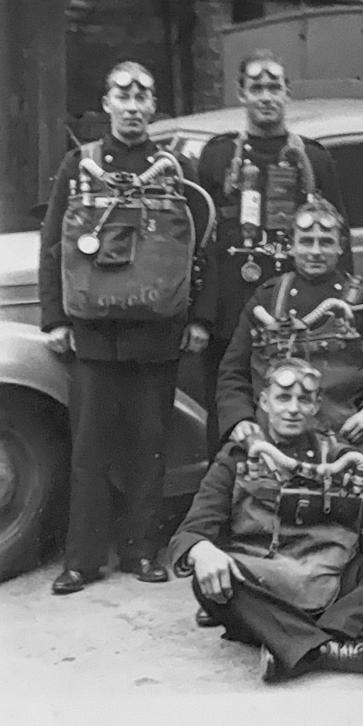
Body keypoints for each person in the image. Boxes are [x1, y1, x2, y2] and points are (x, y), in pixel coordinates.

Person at [39, 61, 214, 594]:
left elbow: (202, 249)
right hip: (93, 335)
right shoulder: (79, 164)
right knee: (89, 448)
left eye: (143, 95)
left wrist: (200, 317)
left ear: (154, 106)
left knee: (149, 443)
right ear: (107, 103)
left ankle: (142, 550)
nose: (134, 106)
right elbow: (54, 244)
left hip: (157, 333)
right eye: (124, 94)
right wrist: (54, 318)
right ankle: (82, 558)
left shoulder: (177, 167)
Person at [168, 358, 363, 683]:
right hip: (263, 585)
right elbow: (191, 530)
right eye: (284, 398)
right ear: (265, 402)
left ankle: (290, 643)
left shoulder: (342, 455)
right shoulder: (238, 458)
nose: (293, 409)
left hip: (334, 582)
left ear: (316, 405)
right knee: (207, 578)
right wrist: (203, 551)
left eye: (303, 400)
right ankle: (331, 648)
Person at [197, 48, 347, 457]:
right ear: (242, 93)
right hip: (232, 312)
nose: (266, 96)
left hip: (297, 315)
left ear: (287, 93)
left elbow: (338, 237)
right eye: (257, 87)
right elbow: (201, 243)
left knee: (296, 413)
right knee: (230, 417)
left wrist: (339, 307)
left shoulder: (312, 158)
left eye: (274, 87)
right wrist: (202, 317)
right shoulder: (218, 155)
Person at [217, 198, 363, 464]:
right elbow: (232, 372)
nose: (315, 251)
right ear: (291, 246)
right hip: (272, 435)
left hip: (343, 436)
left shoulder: (362, 300)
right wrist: (240, 419)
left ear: (341, 247)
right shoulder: (266, 299)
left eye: (326, 242)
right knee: (227, 486)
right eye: (306, 241)